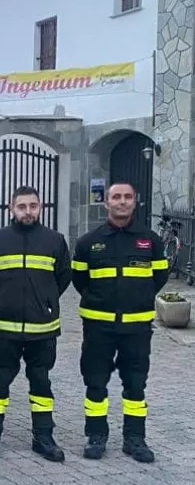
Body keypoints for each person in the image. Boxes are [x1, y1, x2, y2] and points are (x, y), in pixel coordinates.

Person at [71, 182, 168, 462]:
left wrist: (136, 301)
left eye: (127, 197)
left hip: (137, 327)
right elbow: (80, 280)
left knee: (135, 384)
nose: (122, 202)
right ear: (107, 203)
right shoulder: (89, 242)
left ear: (135, 201)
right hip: (98, 326)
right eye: (116, 197)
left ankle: (135, 439)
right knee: (95, 383)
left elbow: (158, 279)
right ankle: (96, 436)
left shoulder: (151, 241)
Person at [0, 185, 71, 462]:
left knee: (41, 383)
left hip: (42, 329)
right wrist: (2, 302)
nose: (27, 211)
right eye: (22, 206)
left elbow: (63, 278)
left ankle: (43, 437)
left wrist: (46, 302)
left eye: (33, 206)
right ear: (11, 208)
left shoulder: (55, 240)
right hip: (4, 329)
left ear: (40, 207)